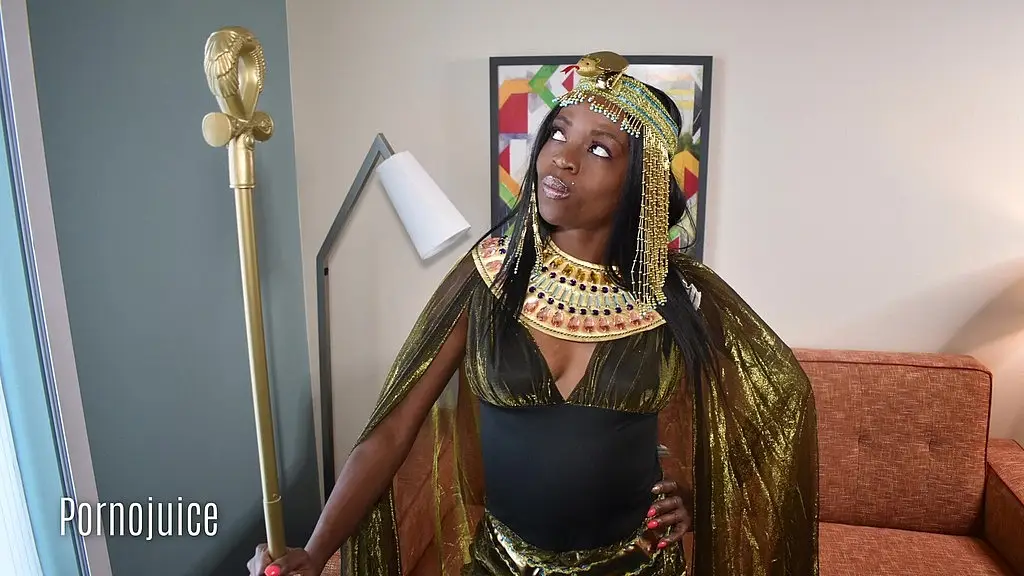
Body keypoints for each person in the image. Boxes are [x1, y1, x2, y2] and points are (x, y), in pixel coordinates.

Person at [248, 51, 819, 576]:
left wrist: (693, 493)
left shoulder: (674, 296)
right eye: (558, 134)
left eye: (599, 149)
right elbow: (394, 428)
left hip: (637, 566)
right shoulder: (488, 277)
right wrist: (314, 553)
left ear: (641, 182)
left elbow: (772, 409)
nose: (562, 158)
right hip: (504, 566)